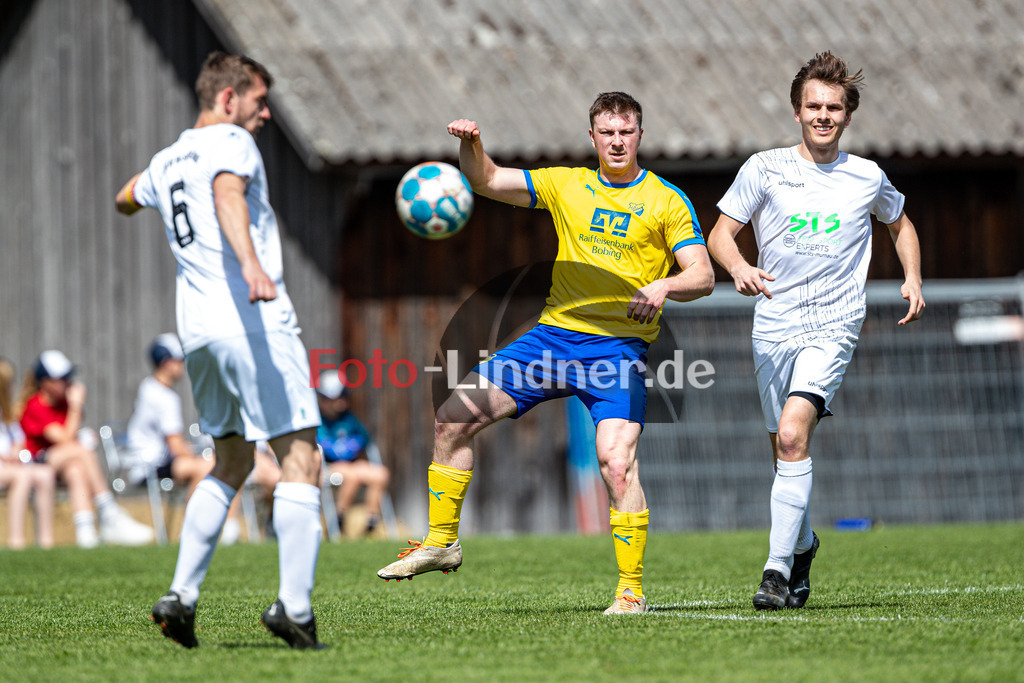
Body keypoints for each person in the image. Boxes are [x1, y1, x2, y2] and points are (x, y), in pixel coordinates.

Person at [376, 92, 715, 615]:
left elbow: (703, 274)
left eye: (626, 132)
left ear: (640, 135)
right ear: (592, 137)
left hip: (617, 351)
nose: (617, 142)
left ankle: (630, 593)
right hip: (553, 340)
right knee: (451, 418)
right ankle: (441, 543)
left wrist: (665, 285)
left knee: (616, 464)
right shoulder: (566, 183)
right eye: (608, 133)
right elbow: (486, 180)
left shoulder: (666, 200)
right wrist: (472, 145)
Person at [116, 51, 324, 649]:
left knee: (231, 462)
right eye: (259, 101)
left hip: (199, 335)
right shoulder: (233, 142)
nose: (265, 114)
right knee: (300, 456)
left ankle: (180, 597)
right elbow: (228, 193)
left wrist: (149, 192)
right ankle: (295, 609)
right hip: (251, 323)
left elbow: (125, 197)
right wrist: (252, 266)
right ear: (229, 99)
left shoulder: (166, 160)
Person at [706, 52, 925, 611]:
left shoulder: (866, 176)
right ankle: (803, 546)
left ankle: (776, 572)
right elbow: (720, 235)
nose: (823, 116)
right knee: (783, 451)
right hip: (773, 323)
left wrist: (913, 277)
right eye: (814, 106)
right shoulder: (764, 168)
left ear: (847, 115)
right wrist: (739, 267)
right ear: (797, 111)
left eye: (834, 108)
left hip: (834, 322)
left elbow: (900, 224)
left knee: (791, 436)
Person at [123, 333, 279, 545]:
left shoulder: (150, 388)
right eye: (179, 360)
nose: (183, 365)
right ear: (166, 362)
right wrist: (203, 454)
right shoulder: (163, 397)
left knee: (223, 462)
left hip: (152, 461)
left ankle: (222, 527)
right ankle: (194, 530)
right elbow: (176, 447)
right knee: (211, 465)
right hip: (150, 465)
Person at [17, 350, 155, 548]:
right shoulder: (35, 405)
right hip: (36, 464)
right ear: (45, 382)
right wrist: (76, 405)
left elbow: (69, 437)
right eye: (61, 379)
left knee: (76, 469)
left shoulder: (63, 405)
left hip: (63, 462)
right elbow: (65, 439)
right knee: (81, 451)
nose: (67, 383)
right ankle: (108, 510)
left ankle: (86, 532)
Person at [315, 371, 390, 537]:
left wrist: (353, 447)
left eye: (344, 396)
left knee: (381, 474)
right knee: (351, 475)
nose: (342, 401)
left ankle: (371, 524)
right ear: (324, 399)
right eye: (337, 398)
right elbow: (322, 448)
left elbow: (365, 439)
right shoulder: (317, 421)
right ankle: (339, 521)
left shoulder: (349, 419)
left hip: (351, 465)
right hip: (328, 468)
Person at [0, 357, 55, 549]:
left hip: (9, 466)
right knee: (22, 476)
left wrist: (16, 450)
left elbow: (19, 438)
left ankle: (46, 541)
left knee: (45, 474)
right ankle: (16, 540)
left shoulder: (7, 413)